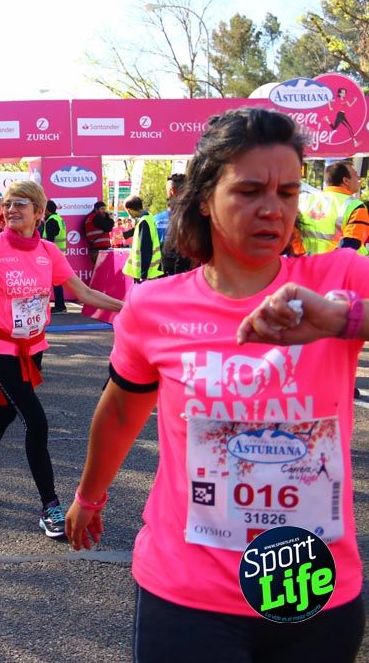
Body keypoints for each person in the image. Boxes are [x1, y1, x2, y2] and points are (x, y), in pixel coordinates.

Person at [67, 107, 367, 662]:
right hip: (190, 595)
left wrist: (345, 321)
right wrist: (89, 495)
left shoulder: (339, 281)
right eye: (250, 190)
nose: (272, 209)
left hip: (315, 591)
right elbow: (120, 412)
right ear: (205, 197)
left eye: (288, 191)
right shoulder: (154, 305)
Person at [0, 180, 122, 538]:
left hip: (34, 347)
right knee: (37, 422)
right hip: (0, 346)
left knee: (5, 411)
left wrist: (130, 307)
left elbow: (84, 292)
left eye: (21, 204)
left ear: (39, 212)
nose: (11, 210)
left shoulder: (47, 251)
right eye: (8, 204)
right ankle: (51, 507)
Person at [298, 159, 369, 254]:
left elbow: (294, 238)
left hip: (308, 264)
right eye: (356, 175)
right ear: (346, 181)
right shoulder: (355, 206)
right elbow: (351, 243)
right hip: (344, 266)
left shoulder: (306, 201)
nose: (359, 180)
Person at [156, 172, 193, 277]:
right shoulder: (199, 217)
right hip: (191, 278)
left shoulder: (156, 220)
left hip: (166, 277)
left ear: (172, 191)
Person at [122, 195, 162, 282]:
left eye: (127, 211)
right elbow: (138, 229)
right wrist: (125, 234)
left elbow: (145, 249)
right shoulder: (148, 217)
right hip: (149, 270)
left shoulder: (144, 222)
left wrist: (143, 274)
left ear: (129, 210)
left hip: (145, 272)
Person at [41, 200, 68, 313]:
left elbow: (49, 241)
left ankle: (60, 306)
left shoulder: (51, 221)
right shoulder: (59, 219)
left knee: (55, 282)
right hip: (59, 254)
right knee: (57, 281)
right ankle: (60, 305)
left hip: (52, 255)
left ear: (47, 210)